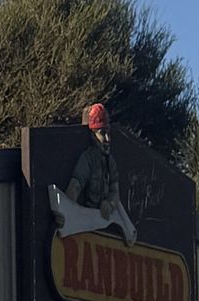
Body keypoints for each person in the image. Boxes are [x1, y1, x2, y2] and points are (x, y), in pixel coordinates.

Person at [49, 103, 138, 244]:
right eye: (102, 133)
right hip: (87, 223)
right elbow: (75, 187)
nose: (107, 139)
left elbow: (115, 192)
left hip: (105, 226)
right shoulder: (87, 159)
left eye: (108, 132)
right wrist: (66, 212)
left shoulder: (110, 162)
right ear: (92, 135)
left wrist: (110, 203)